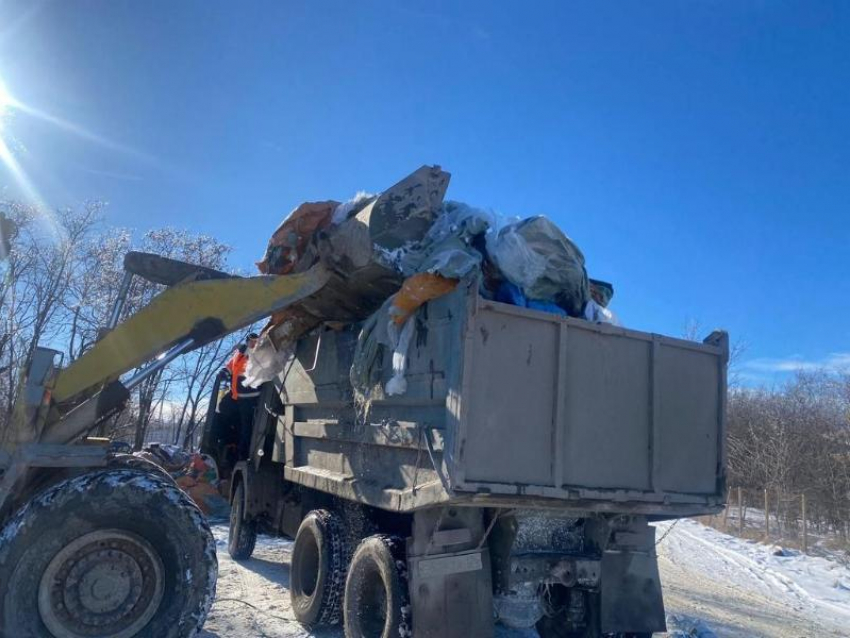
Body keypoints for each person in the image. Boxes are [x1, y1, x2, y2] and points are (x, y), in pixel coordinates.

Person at [224, 332, 260, 460]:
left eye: (256, 341)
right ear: (247, 341)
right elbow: (231, 365)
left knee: (247, 426)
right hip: (238, 396)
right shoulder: (240, 352)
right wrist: (224, 372)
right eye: (251, 340)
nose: (253, 343)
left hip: (250, 395)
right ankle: (235, 449)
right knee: (235, 421)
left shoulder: (257, 353)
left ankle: (244, 454)